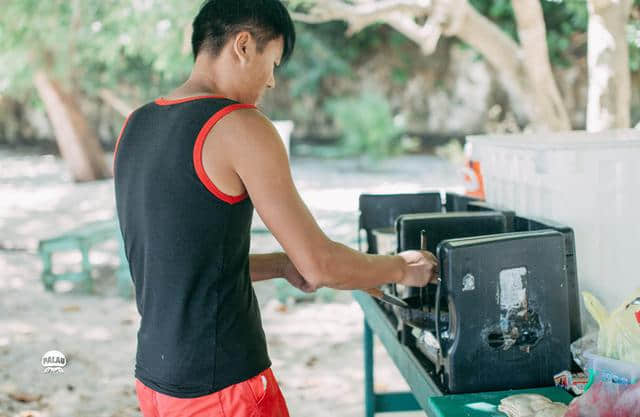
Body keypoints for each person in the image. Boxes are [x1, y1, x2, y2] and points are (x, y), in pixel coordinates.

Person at [113, 1, 438, 416]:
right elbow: (321, 265)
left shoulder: (135, 125)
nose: (271, 82)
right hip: (224, 390)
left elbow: (182, 264)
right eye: (274, 62)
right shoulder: (239, 125)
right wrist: (402, 267)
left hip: (157, 385)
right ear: (243, 45)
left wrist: (283, 264)